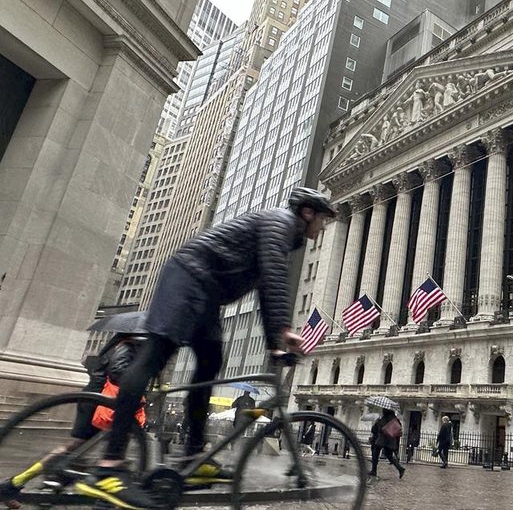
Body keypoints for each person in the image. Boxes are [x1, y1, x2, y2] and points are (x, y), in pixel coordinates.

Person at [73, 187, 334, 509]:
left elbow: (266, 290)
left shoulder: (285, 234)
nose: (323, 227)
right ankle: (109, 467)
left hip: (207, 291)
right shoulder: (279, 223)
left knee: (211, 362)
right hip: (188, 277)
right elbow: (273, 278)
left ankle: (194, 455)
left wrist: (274, 345)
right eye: (322, 219)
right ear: (307, 213)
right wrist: (282, 331)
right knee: (154, 356)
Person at [0, 334, 144, 509]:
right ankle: (105, 499)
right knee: (110, 451)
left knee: (81, 446)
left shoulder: (123, 345)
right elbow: (117, 372)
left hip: (97, 399)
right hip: (101, 402)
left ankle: (14, 484)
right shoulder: (128, 346)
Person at [368, 409, 405, 480]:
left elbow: (375, 429)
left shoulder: (383, 419)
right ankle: (400, 468)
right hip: (391, 440)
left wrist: (377, 422)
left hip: (382, 439)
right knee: (389, 455)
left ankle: (374, 470)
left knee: (375, 453)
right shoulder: (395, 420)